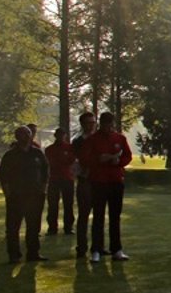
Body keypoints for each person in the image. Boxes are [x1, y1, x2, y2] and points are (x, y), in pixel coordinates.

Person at [78, 112, 132, 263]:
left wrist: (119, 161)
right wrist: (98, 159)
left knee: (115, 217)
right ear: (101, 124)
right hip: (98, 182)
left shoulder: (120, 138)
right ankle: (96, 249)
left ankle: (117, 249)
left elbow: (127, 156)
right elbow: (84, 158)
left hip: (116, 181)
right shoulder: (93, 139)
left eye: (110, 124)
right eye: (105, 124)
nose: (108, 127)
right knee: (98, 216)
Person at [0, 125, 50, 263]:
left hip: (35, 195)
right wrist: (7, 193)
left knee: (34, 226)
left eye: (27, 134)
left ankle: (33, 253)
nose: (25, 137)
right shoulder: (10, 155)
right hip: (16, 196)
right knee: (13, 227)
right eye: (22, 134)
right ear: (17, 137)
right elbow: (3, 175)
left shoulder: (37, 153)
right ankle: (14, 255)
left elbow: (45, 170)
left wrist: (43, 188)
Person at [71, 111, 98, 260]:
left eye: (93, 122)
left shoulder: (99, 139)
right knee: (83, 215)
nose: (91, 126)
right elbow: (75, 161)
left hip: (99, 181)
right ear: (82, 124)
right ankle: (81, 247)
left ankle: (97, 247)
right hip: (85, 181)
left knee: (98, 216)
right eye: (88, 123)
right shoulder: (78, 142)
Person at [44, 128, 77, 235]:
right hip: (54, 179)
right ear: (55, 136)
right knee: (53, 204)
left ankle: (68, 227)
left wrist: (63, 161)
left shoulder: (70, 148)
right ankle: (52, 228)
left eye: (62, 135)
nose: (61, 137)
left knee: (68, 204)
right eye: (59, 135)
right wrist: (64, 160)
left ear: (65, 136)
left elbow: (71, 160)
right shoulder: (49, 149)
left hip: (67, 178)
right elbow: (51, 162)